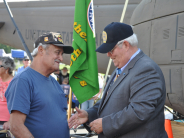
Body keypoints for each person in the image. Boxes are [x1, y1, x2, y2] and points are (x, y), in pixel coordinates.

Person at [68, 22, 168, 138]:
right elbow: (110, 101)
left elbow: (139, 111)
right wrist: (89, 114)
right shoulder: (121, 67)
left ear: (126, 45)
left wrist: (105, 124)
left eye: (111, 50)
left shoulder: (146, 69)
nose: (108, 55)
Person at [5, 32, 73, 138]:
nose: (61, 58)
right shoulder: (23, 80)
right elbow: (16, 126)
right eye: (57, 52)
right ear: (41, 50)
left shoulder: (53, 81)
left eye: (61, 54)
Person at [0, 57, 15, 130]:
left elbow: (17, 104)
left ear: (7, 69)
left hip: (6, 122)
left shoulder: (14, 82)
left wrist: (10, 121)